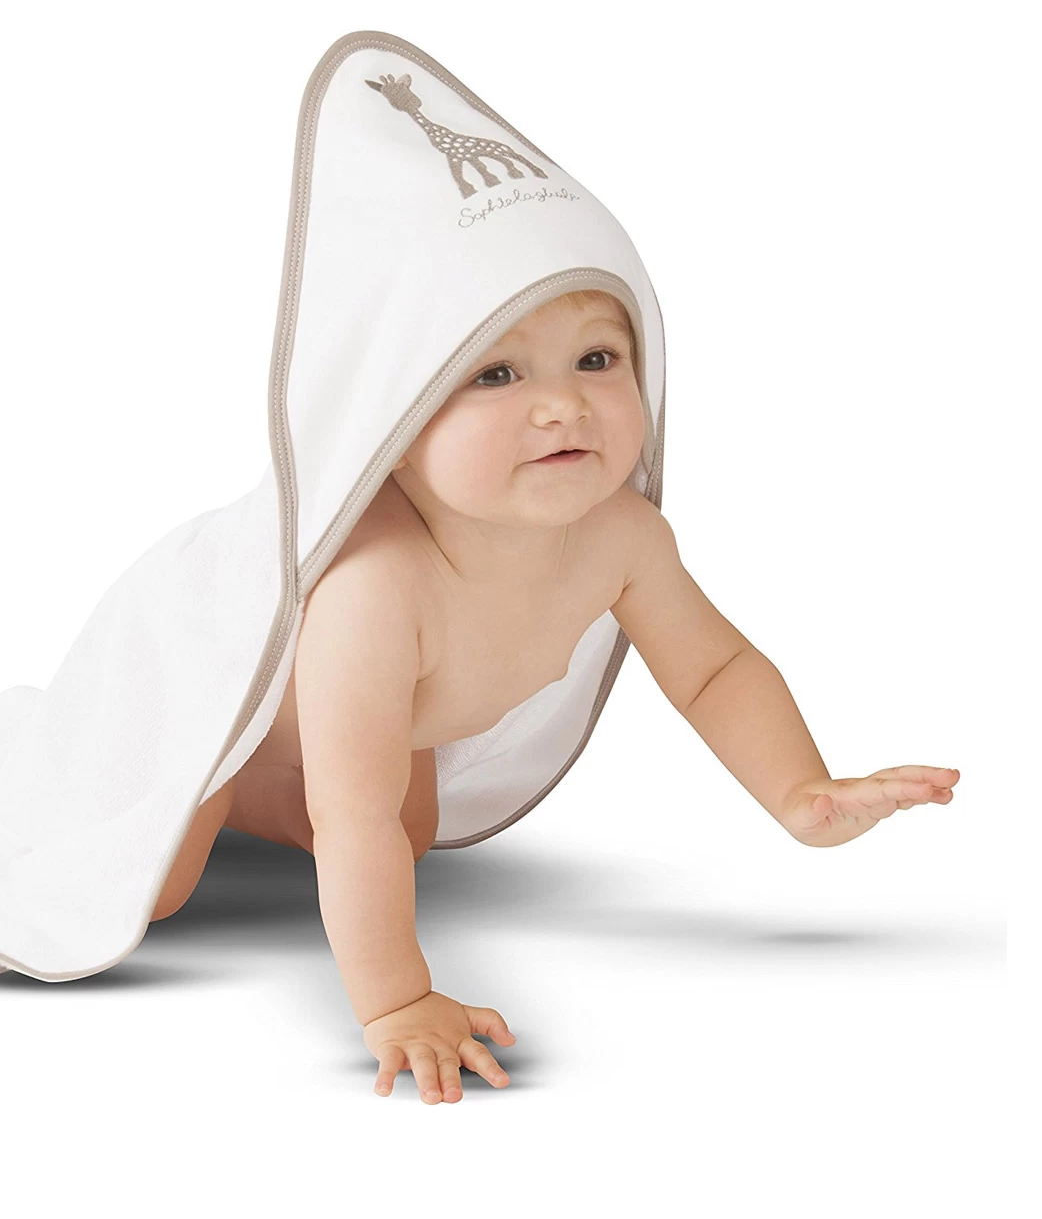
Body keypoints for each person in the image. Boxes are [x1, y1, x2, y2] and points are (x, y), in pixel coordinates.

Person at [148, 285, 960, 1103]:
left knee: (407, 832)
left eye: (596, 359)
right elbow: (353, 814)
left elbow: (714, 668)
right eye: (497, 374)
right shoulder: (374, 587)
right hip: (195, 703)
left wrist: (798, 789)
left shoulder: (624, 534)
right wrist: (396, 1001)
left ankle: (259, 792)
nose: (564, 405)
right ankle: (212, 783)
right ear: (386, 429)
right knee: (165, 887)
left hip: (360, 727)